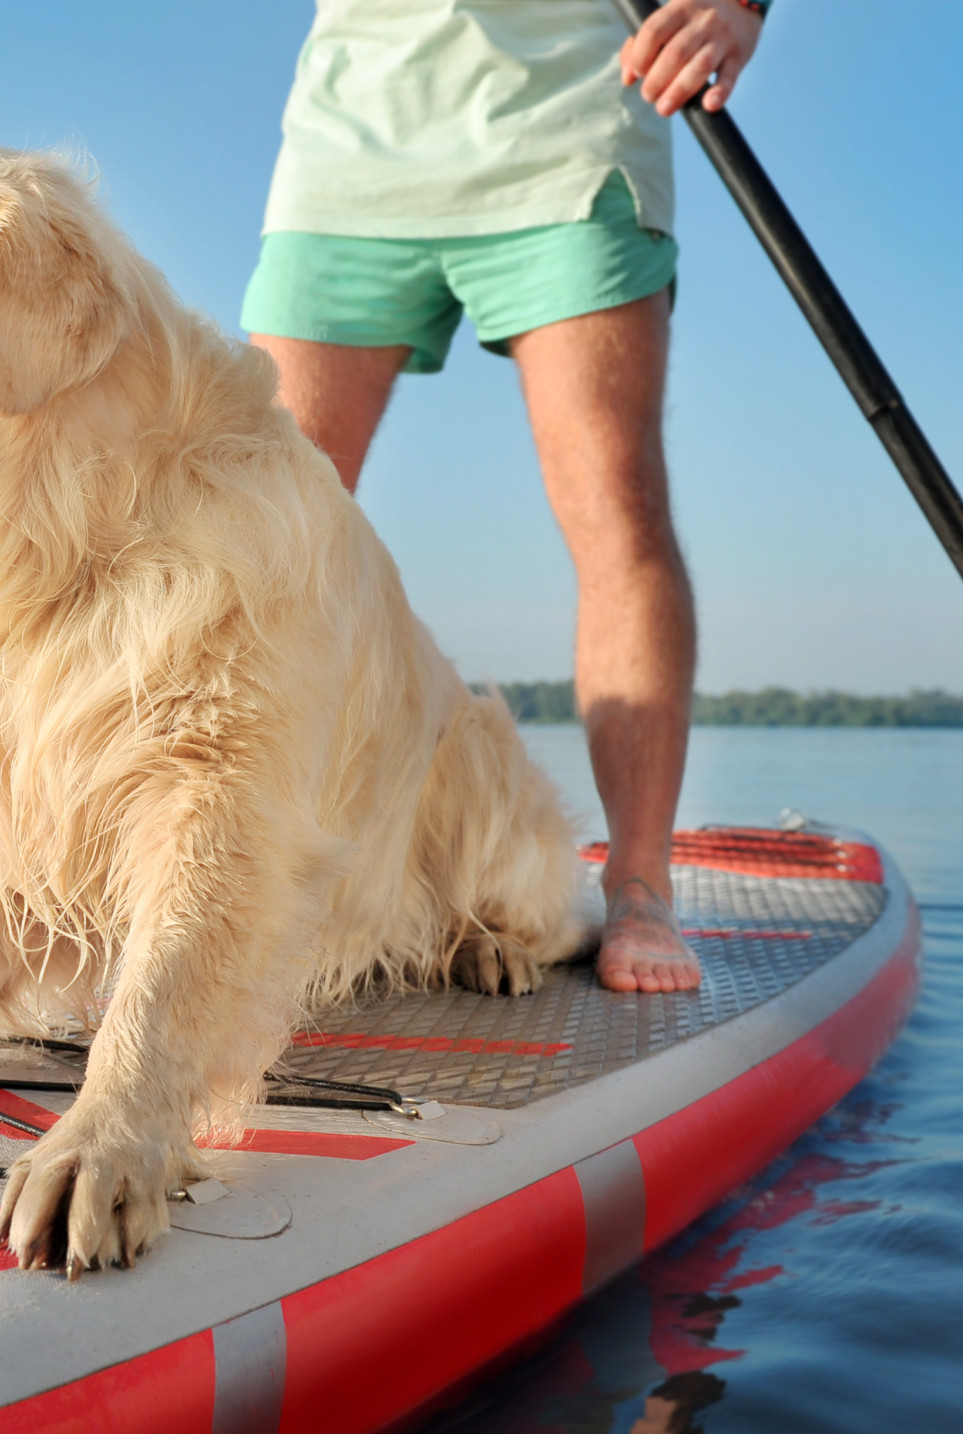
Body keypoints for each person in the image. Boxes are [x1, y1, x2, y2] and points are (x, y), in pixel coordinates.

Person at [242, 0, 765, 994]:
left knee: (617, 509)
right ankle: (249, 872)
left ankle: (642, 885)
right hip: (350, 145)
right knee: (263, 532)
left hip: (568, 128)